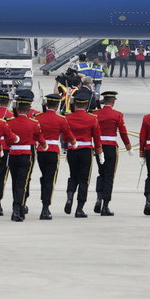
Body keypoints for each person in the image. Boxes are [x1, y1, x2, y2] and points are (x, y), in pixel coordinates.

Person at [6, 95, 47, 221]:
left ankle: (17, 206)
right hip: (26, 155)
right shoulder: (33, 123)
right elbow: (39, 139)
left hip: (12, 155)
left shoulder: (10, 122)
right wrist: (45, 146)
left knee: (15, 182)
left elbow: (7, 140)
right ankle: (18, 208)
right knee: (22, 183)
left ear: (17, 108)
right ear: (29, 109)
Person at [64, 90, 103, 218]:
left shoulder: (68, 118)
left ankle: (69, 198)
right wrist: (99, 152)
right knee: (84, 180)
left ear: (75, 105)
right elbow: (97, 138)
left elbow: (64, 137)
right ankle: (79, 208)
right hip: (86, 151)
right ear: (86, 105)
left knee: (73, 176)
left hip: (72, 151)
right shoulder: (92, 119)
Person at [93, 91, 132, 216]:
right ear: (113, 101)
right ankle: (105, 205)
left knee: (101, 173)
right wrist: (128, 147)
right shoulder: (117, 115)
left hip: (98, 147)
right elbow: (123, 132)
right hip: (110, 148)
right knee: (109, 176)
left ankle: (98, 198)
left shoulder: (95, 114)